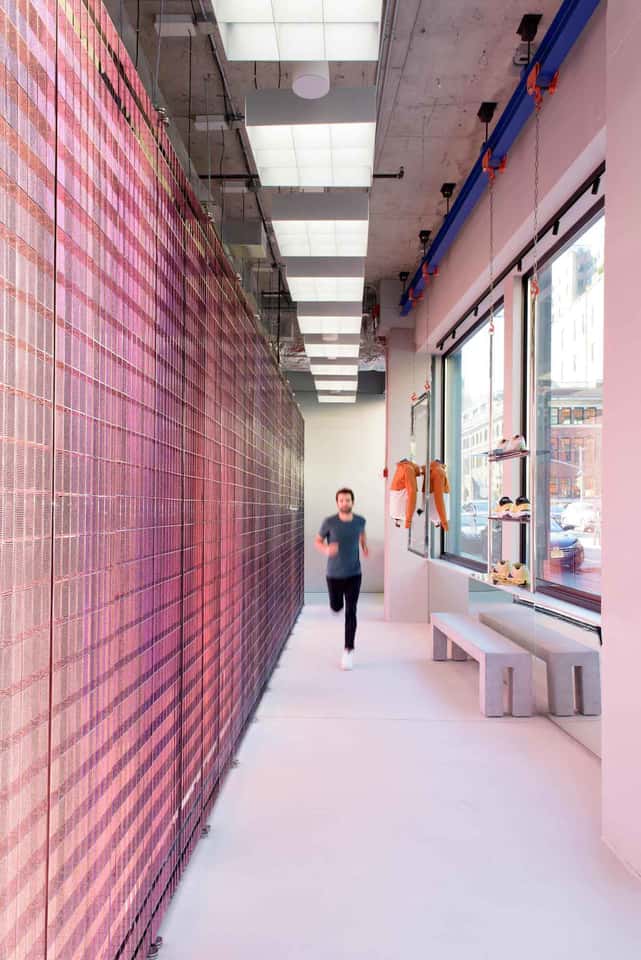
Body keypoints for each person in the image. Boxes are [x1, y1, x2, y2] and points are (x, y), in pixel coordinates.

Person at [314, 488, 368, 671]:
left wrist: (364, 547)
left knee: (351, 611)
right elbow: (318, 541)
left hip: (354, 574)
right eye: (341, 500)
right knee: (337, 607)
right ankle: (335, 605)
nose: (345, 503)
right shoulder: (329, 522)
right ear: (337, 503)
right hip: (334, 574)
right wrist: (326, 550)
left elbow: (362, 534)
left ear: (353, 502)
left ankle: (348, 650)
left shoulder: (360, 521)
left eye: (348, 500)